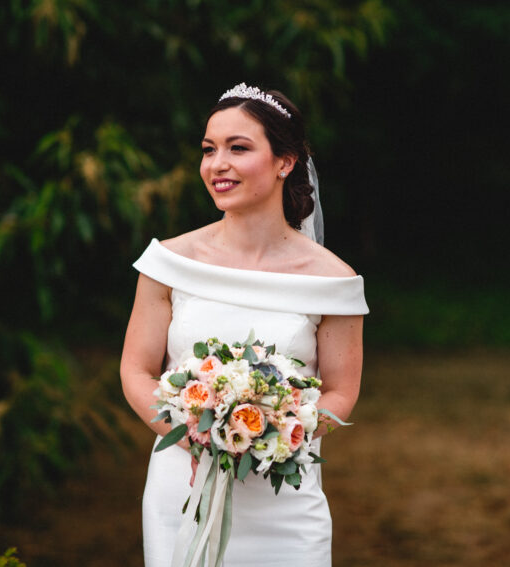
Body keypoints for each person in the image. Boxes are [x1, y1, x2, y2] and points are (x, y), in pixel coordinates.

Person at [120, 83, 368, 567]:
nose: (217, 164)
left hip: (282, 498)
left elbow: (341, 391)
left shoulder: (333, 281)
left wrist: (272, 435)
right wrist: (195, 435)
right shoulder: (168, 262)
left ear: (285, 162)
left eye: (239, 148)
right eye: (209, 150)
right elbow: (135, 371)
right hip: (181, 487)